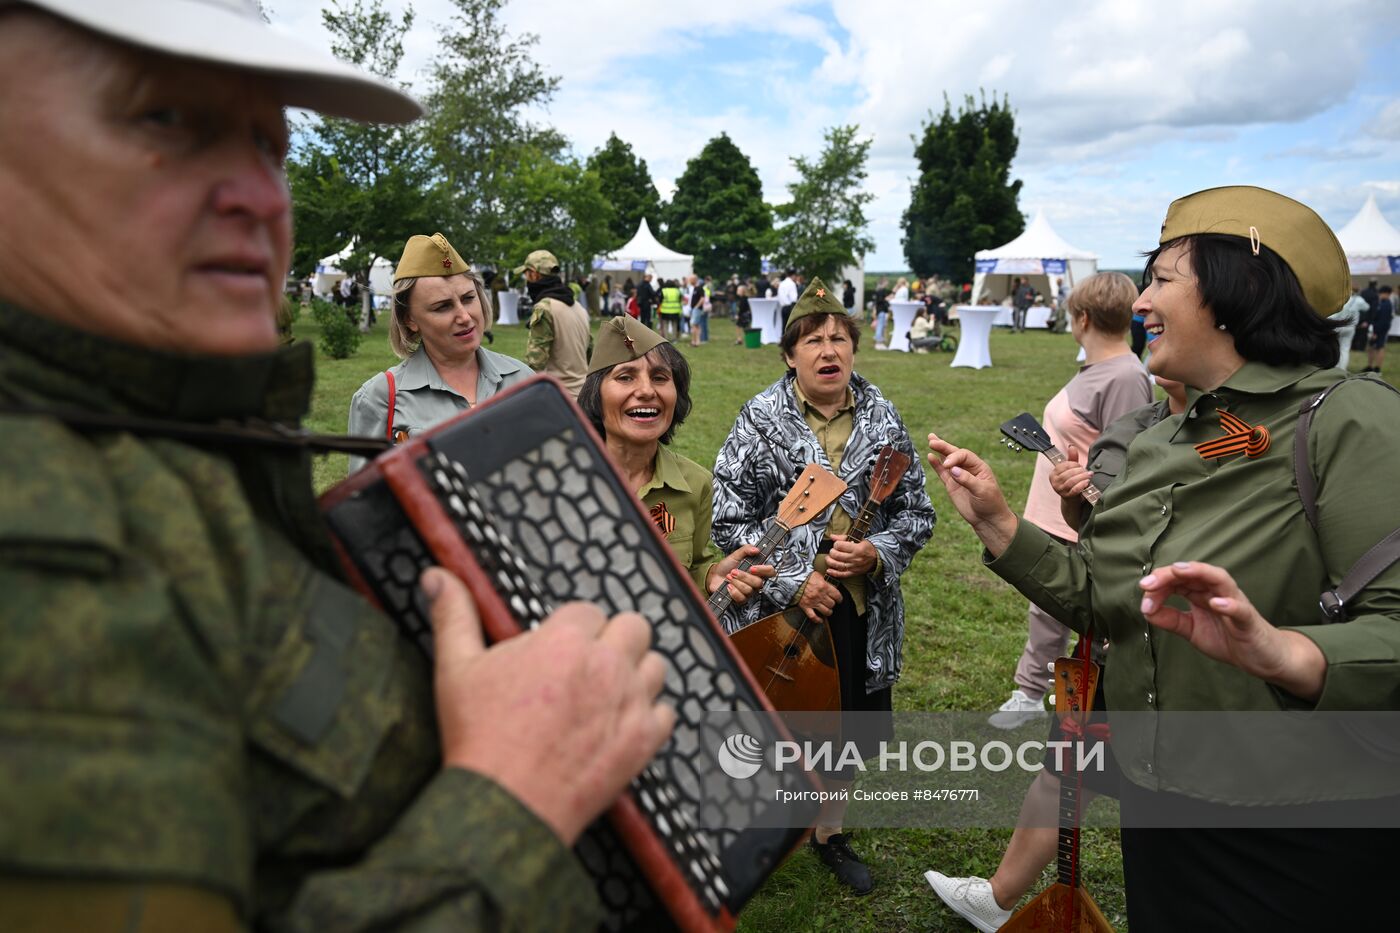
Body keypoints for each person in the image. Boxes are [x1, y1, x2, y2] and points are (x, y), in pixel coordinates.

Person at [0, 3, 676, 930]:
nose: (262, 195)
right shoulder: (45, 535)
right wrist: (513, 796)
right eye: (165, 118)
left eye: (270, 145)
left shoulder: (188, 441)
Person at [927, 186, 1398, 931]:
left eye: (1162, 278)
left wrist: (1287, 651)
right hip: (1163, 806)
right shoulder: (1162, 440)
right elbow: (1102, 598)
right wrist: (999, 523)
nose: (1140, 299)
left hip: (1303, 822)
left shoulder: (1348, 418)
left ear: (1236, 290)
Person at [926, 374, 1188, 931]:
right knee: (1065, 771)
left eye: (1164, 282)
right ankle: (997, 898)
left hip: (1197, 685)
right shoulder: (1135, 429)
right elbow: (1099, 550)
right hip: (1116, 654)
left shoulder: (1270, 433)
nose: (1146, 306)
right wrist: (1069, 504)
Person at [713, 277, 936, 895]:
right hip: (781, 614)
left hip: (859, 608)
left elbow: (916, 514)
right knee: (776, 729)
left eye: (839, 337)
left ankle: (827, 832)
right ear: (790, 355)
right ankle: (758, 827)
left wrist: (876, 551)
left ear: (854, 350)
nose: (828, 349)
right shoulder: (759, 420)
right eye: (812, 339)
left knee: (851, 733)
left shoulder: (883, 418)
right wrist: (794, 580)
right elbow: (729, 522)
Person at [989, 273, 1153, 730]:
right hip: (1054, 513)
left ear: (1081, 317)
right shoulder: (1103, 368)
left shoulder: (1124, 375)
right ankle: (1039, 694)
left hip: (1079, 521)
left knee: (1069, 618)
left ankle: (1046, 700)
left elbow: (1124, 463)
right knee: (1045, 613)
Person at [580, 316, 775, 601]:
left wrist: (710, 575)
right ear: (595, 394)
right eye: (625, 377)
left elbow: (693, 565)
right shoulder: (558, 479)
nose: (647, 391)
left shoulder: (696, 484)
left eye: (660, 378)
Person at [347, 234, 530, 473]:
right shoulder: (379, 399)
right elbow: (367, 504)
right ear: (410, 319)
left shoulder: (523, 380)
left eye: (468, 298)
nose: (464, 317)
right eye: (442, 306)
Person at [518, 248, 592, 398]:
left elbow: (535, 363)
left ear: (534, 274)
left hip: (559, 399)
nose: (526, 279)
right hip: (584, 397)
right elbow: (590, 352)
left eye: (526, 274)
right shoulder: (579, 308)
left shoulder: (545, 308)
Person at [1335, 285, 1369, 370]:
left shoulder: (1341, 298)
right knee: (1345, 348)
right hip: (1351, 327)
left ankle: (1335, 367)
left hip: (1339, 325)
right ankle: (1342, 368)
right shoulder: (1359, 300)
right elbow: (1367, 307)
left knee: (1336, 347)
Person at [1364, 284, 1392, 372]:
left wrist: (1376, 332)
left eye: (1381, 293)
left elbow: (1383, 320)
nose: (1380, 295)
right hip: (1376, 329)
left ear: (1386, 294)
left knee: (1380, 347)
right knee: (1371, 347)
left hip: (1380, 330)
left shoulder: (1386, 304)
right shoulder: (1382, 303)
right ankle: (1370, 366)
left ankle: (1377, 368)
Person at [777, 267, 800, 331]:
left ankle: (783, 340)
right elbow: (794, 298)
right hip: (790, 308)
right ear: (793, 275)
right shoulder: (792, 284)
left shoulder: (781, 283)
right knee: (791, 328)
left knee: (784, 327)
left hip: (783, 308)